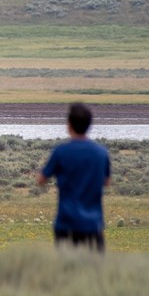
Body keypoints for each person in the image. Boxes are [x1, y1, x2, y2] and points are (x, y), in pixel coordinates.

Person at [37, 103, 111, 252]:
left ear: (69, 125)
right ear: (89, 125)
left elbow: (41, 179)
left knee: (66, 270)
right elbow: (107, 181)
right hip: (93, 224)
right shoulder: (101, 153)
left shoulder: (61, 151)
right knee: (94, 270)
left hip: (66, 223)